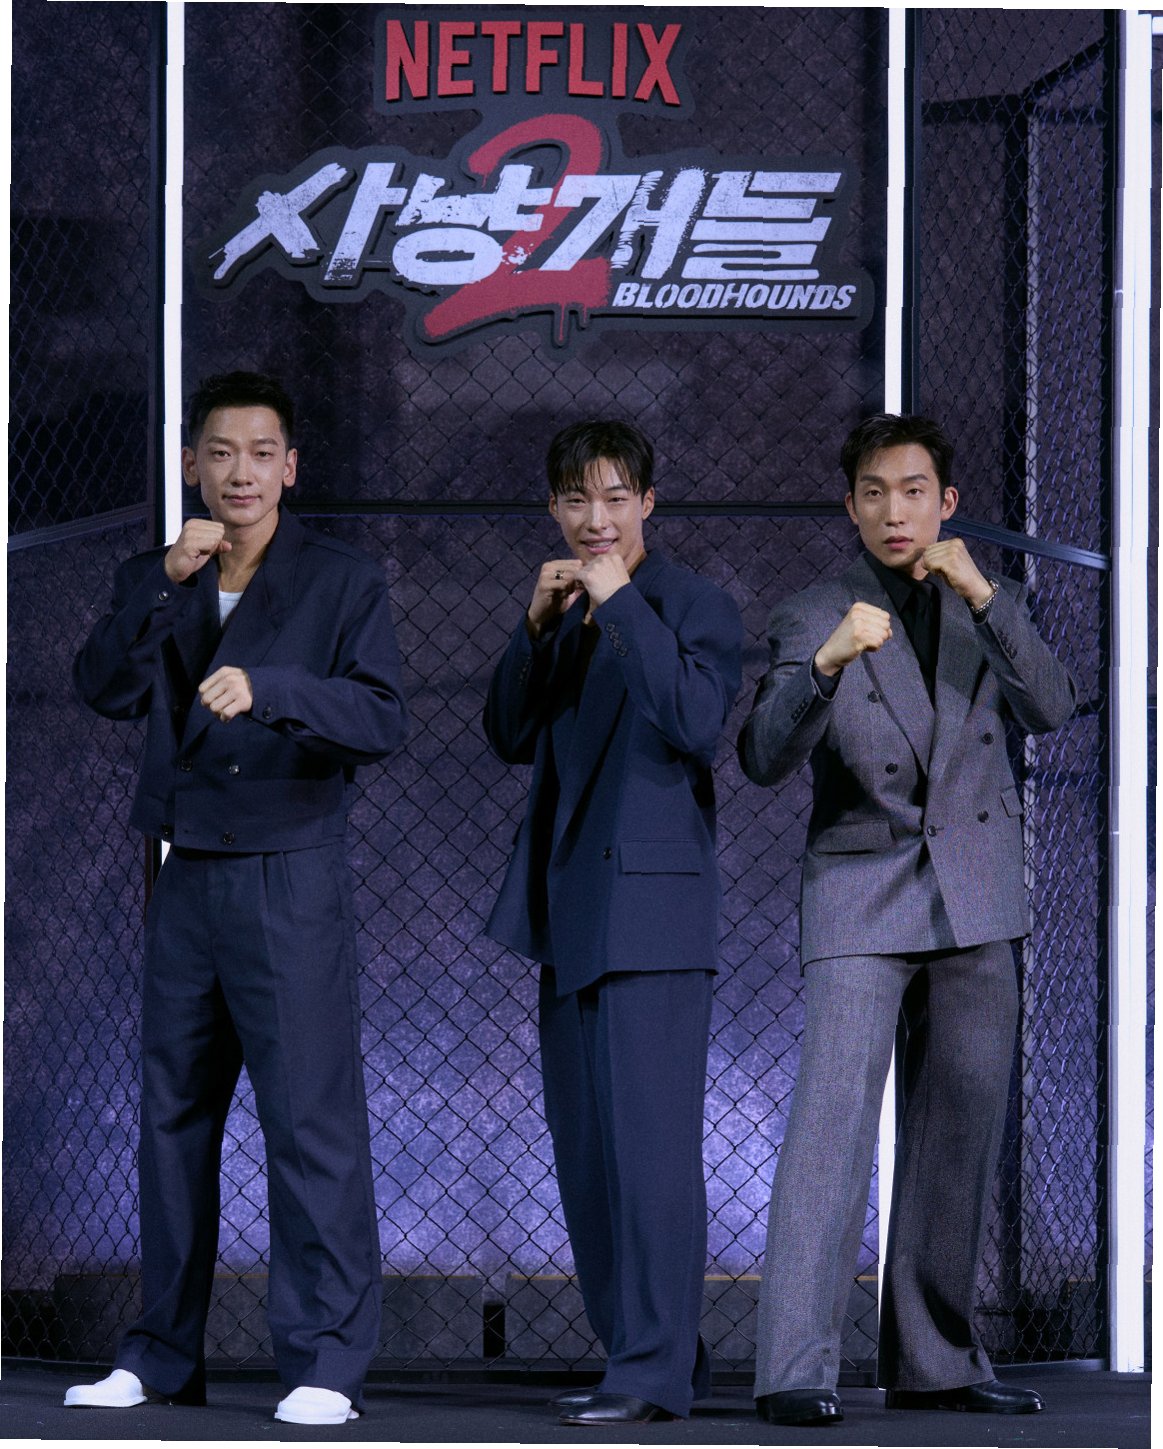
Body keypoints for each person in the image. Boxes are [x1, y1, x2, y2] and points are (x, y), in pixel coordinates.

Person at [67, 371, 407, 1426]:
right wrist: (165, 583)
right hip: (186, 874)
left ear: (290, 467)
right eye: (221, 452)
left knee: (308, 1121)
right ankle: (160, 1354)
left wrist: (273, 689)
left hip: (287, 870)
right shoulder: (161, 572)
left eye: (261, 453)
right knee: (170, 1119)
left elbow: (380, 717)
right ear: (191, 465)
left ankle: (327, 1363)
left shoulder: (341, 579)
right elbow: (101, 686)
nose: (241, 472)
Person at [738, 413, 1075, 1427]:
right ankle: (793, 1368)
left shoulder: (990, 599)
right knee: (829, 1131)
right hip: (860, 887)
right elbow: (762, 755)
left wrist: (985, 598)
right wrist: (826, 664)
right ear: (850, 506)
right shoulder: (811, 613)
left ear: (946, 503)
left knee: (956, 1130)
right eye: (874, 492)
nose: (895, 510)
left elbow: (1052, 706)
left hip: (975, 892)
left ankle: (934, 1361)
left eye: (913, 490)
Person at [484, 420, 743, 1426]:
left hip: (651, 918)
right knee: (589, 1159)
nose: (594, 518)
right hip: (571, 916)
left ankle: (649, 1372)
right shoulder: (564, 611)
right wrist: (533, 627)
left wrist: (620, 602)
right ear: (553, 507)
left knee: (649, 1157)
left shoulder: (689, 603)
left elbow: (694, 722)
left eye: (613, 498)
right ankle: (652, 1357)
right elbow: (509, 732)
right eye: (574, 499)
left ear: (647, 504)